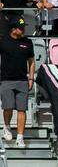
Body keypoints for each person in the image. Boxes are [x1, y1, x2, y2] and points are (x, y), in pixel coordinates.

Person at [0, 18, 33, 148]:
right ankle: (7, 128)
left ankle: (20, 137)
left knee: (22, 109)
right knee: (8, 107)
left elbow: (31, 62)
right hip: (6, 80)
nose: (23, 29)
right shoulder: (3, 42)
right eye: (21, 27)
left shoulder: (28, 42)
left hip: (22, 81)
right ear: (13, 29)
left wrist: (31, 78)